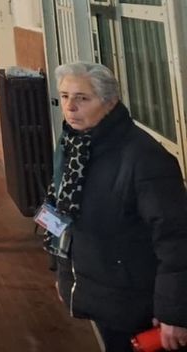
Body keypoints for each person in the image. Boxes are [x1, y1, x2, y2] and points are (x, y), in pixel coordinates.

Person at [45, 62, 187, 352]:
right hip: (99, 294)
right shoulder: (72, 146)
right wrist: (64, 275)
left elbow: (176, 239)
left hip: (138, 304)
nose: (70, 107)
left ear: (110, 102)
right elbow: (58, 212)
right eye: (65, 96)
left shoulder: (144, 157)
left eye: (83, 98)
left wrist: (174, 312)